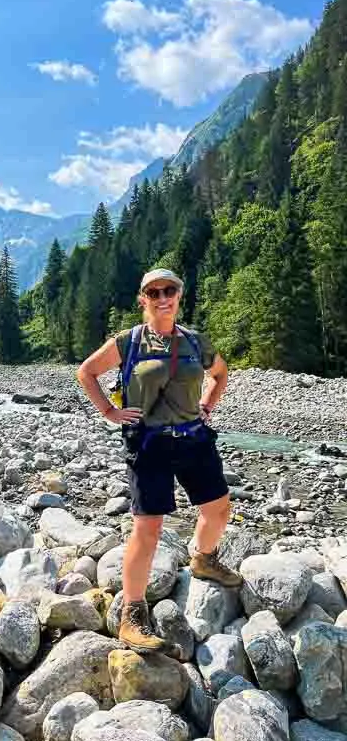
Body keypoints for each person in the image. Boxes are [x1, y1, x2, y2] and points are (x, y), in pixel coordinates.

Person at [76, 268, 241, 653]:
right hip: (149, 443)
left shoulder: (195, 341)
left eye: (170, 290)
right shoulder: (128, 341)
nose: (163, 297)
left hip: (193, 439)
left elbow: (220, 373)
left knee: (218, 509)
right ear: (143, 299)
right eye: (155, 292)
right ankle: (132, 615)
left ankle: (203, 558)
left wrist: (207, 405)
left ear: (179, 295)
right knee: (148, 528)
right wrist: (109, 412)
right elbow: (86, 372)